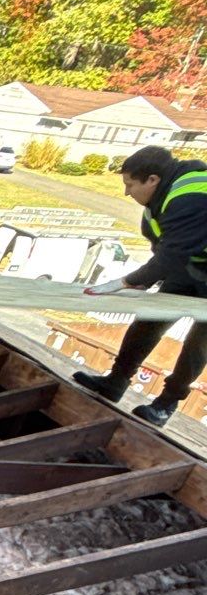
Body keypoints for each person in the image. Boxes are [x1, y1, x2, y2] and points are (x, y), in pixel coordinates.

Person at [74, 144, 207, 426]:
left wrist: (125, 282)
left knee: (200, 342)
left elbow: (172, 254)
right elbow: (164, 250)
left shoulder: (190, 196)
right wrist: (147, 282)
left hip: (188, 259)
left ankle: (165, 404)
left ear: (152, 180)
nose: (126, 192)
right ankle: (116, 381)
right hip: (193, 263)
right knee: (150, 319)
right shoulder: (159, 201)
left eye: (129, 184)